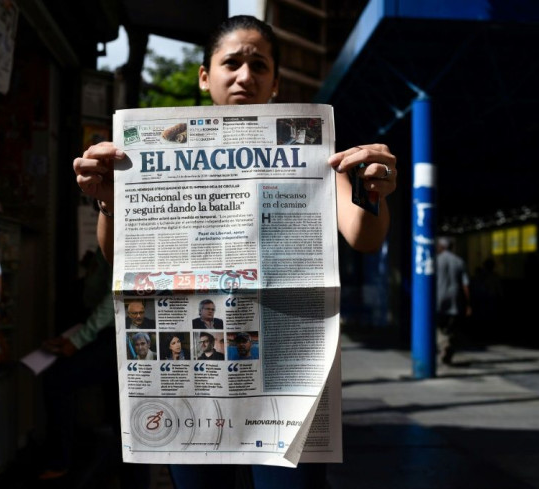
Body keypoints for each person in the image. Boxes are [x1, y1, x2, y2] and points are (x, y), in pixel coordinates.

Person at [73, 14, 396, 489]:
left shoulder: (313, 154)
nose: (245, 75)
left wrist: (373, 191)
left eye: (259, 65)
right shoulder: (156, 152)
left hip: (287, 386)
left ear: (276, 80)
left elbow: (365, 237)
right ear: (205, 76)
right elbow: (118, 258)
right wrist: (107, 198)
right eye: (232, 63)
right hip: (193, 390)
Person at [38, 251, 150, 487]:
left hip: (116, 333)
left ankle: (60, 462)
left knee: (57, 381)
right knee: (122, 415)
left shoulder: (117, 237)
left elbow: (114, 298)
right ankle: (134, 482)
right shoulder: (106, 238)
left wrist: (79, 340)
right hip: (109, 332)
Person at [435, 236, 472, 365]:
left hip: (438, 300)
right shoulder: (459, 261)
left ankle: (444, 345)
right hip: (455, 301)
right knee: (452, 328)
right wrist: (468, 304)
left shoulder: (436, 261)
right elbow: (465, 285)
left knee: (438, 327)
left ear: (441, 246)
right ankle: (448, 347)